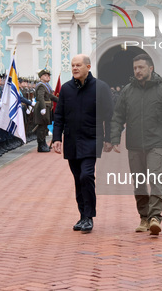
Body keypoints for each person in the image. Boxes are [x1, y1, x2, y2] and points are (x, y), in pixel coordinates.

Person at [111, 53, 162, 236]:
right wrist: (114, 138)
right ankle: (144, 217)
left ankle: (155, 218)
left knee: (154, 179)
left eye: (141, 67)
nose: (137, 71)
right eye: (135, 68)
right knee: (139, 183)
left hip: (156, 143)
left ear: (150, 68)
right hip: (134, 144)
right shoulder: (127, 91)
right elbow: (118, 116)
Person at [52, 54, 114, 234]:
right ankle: (82, 216)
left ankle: (89, 216)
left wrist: (110, 138)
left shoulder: (101, 88)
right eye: (72, 65)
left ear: (88, 66)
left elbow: (110, 116)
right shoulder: (66, 89)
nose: (74, 68)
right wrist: (57, 138)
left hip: (92, 138)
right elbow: (59, 116)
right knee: (78, 179)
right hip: (71, 140)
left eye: (78, 65)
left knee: (86, 176)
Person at [33, 69, 58, 152]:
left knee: (44, 127)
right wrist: (43, 108)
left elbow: (50, 96)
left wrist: (60, 100)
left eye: (48, 75)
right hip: (42, 108)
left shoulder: (45, 85)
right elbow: (40, 97)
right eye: (45, 75)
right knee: (41, 127)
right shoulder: (41, 85)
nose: (48, 77)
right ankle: (40, 145)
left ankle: (43, 143)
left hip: (46, 107)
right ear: (41, 77)